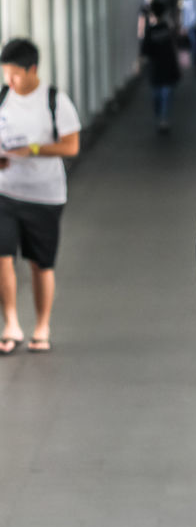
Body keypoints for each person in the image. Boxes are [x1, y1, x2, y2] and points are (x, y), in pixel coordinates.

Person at [0, 39, 81, 354]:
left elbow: (71, 146)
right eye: (6, 73)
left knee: (40, 263)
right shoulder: (3, 97)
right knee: (3, 257)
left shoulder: (54, 100)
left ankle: (42, 325)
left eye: (15, 73)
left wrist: (32, 149)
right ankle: (11, 323)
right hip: (5, 191)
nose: (10, 80)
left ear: (32, 69)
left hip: (45, 195)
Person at [139, 0, 181, 134]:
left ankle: (162, 119)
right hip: (168, 67)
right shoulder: (167, 28)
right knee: (164, 95)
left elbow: (145, 50)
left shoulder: (151, 31)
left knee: (159, 96)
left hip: (155, 69)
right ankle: (163, 118)